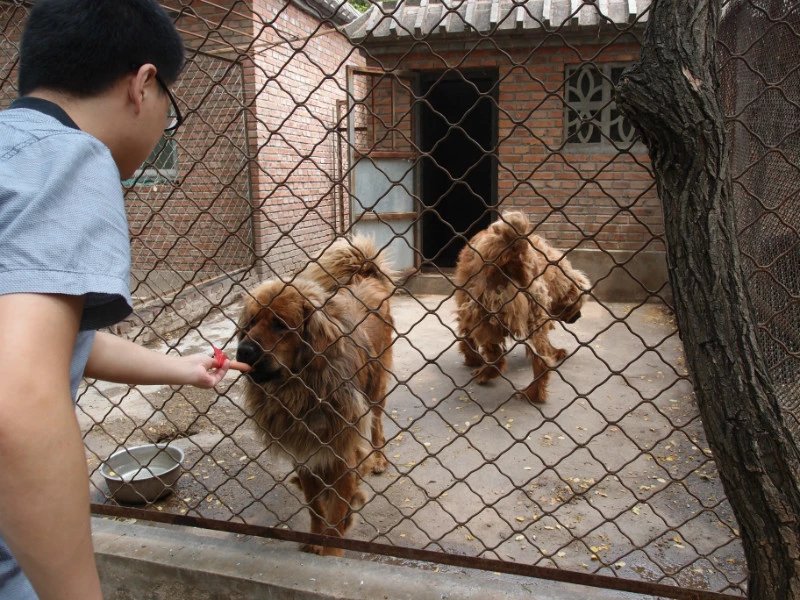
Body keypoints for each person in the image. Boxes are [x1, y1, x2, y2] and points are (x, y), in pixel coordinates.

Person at [0, 1, 247, 598]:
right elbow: (17, 398)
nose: (166, 120)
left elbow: (53, 340)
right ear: (142, 84)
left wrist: (179, 369)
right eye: (173, 105)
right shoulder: (69, 159)